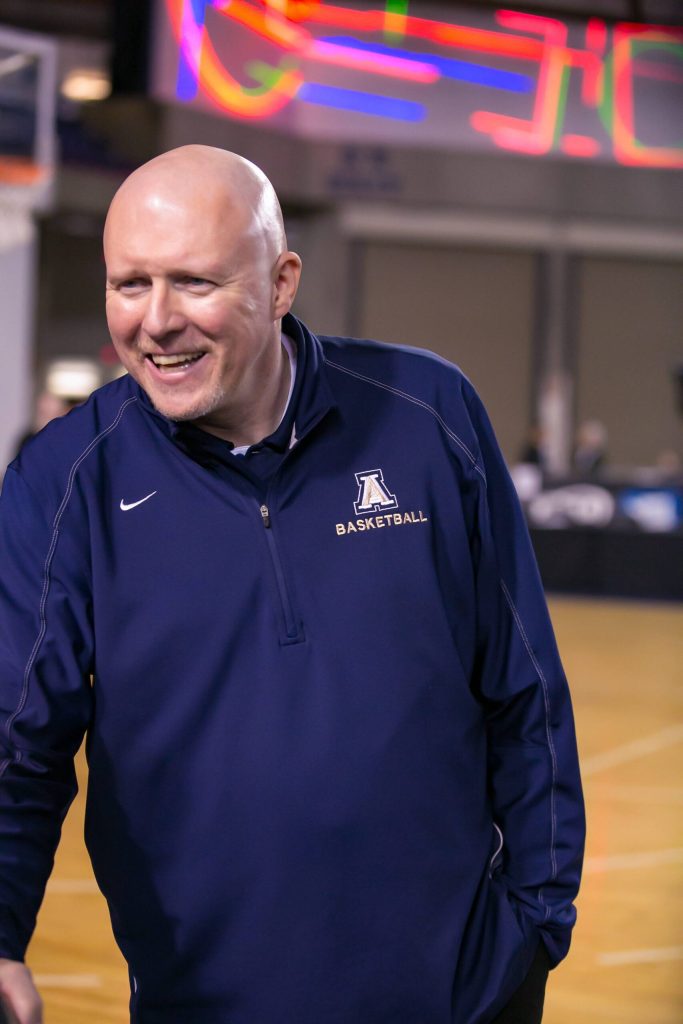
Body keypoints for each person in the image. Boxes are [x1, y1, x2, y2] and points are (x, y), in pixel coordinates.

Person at [0, 146, 584, 1024]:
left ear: (280, 283)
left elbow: (524, 686)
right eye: (130, 285)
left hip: (459, 993)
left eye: (194, 283)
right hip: (204, 1000)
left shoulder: (428, 415)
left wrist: (535, 923)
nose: (156, 322)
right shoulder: (62, 482)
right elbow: (16, 743)